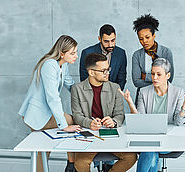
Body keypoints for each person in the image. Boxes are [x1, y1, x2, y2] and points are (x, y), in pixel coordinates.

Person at [119, 58, 185, 172]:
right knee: (151, 151)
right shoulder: (143, 91)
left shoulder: (178, 93)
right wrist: (131, 103)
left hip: (169, 139)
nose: (154, 77)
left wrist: (184, 107)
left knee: (150, 151)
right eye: (152, 74)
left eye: (159, 74)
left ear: (168, 75)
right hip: (148, 138)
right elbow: (139, 120)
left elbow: (178, 122)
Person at [18, 35, 82, 172]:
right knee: (44, 148)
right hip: (37, 114)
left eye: (76, 52)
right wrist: (63, 126)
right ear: (62, 53)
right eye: (73, 53)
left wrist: (86, 96)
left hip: (45, 113)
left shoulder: (62, 65)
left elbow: (70, 84)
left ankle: (71, 165)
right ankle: (71, 166)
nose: (76, 56)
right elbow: (52, 97)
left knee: (43, 149)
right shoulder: (49, 65)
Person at [71, 53, 137, 172]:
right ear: (91, 72)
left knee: (131, 157)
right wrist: (89, 123)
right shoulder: (77, 89)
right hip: (90, 135)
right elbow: (76, 116)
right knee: (80, 163)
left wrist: (113, 121)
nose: (108, 73)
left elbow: (119, 114)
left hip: (110, 135)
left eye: (108, 69)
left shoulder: (115, 87)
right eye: (103, 71)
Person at [132, 14, 175, 104]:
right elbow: (136, 82)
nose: (144, 41)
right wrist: (159, 79)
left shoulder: (166, 52)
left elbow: (169, 79)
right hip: (142, 97)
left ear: (154, 35)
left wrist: (145, 76)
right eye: (141, 39)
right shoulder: (137, 55)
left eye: (147, 37)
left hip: (162, 96)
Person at [79, 24, 127, 90]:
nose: (110, 45)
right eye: (106, 41)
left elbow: (121, 79)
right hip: (92, 95)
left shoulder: (121, 53)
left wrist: (115, 95)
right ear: (99, 39)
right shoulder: (87, 53)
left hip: (113, 95)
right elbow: (84, 79)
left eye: (113, 40)